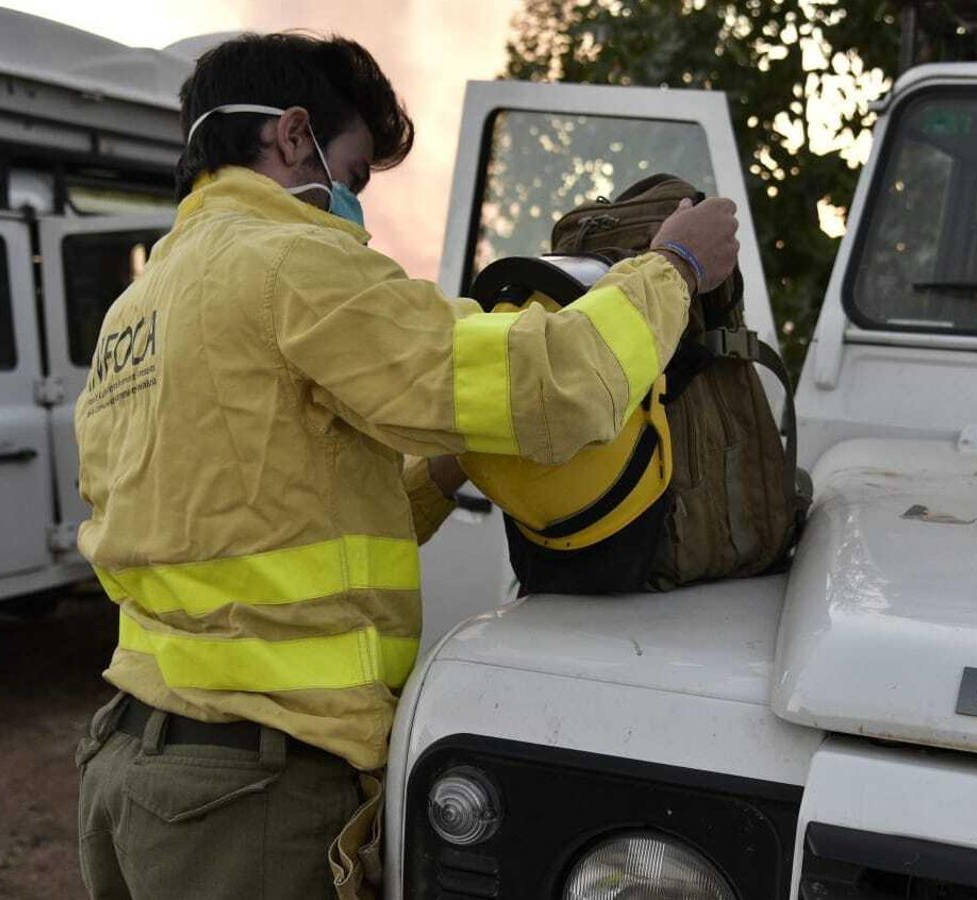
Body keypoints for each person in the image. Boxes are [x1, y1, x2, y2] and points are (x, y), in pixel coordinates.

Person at [71, 30, 739, 900]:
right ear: (292, 135)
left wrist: (449, 464)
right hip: (246, 794)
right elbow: (548, 382)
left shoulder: (142, 304)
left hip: (129, 769)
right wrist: (675, 269)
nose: (355, 206)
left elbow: (269, 515)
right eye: (351, 177)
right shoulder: (290, 262)